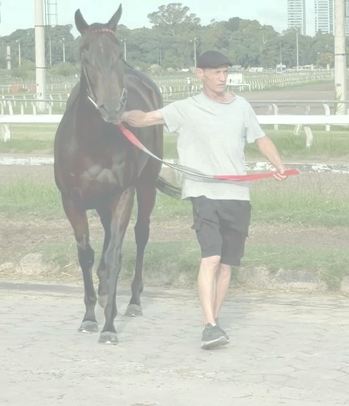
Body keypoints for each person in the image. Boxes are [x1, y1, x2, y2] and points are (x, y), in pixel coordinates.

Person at [120, 50, 288, 350]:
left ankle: (214, 322)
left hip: (237, 194)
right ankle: (209, 325)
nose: (222, 78)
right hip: (203, 193)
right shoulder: (186, 108)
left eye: (225, 72)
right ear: (200, 74)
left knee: (226, 265)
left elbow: (260, 138)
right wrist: (120, 115)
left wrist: (278, 164)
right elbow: (145, 119)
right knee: (211, 258)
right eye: (216, 73)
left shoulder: (241, 106)